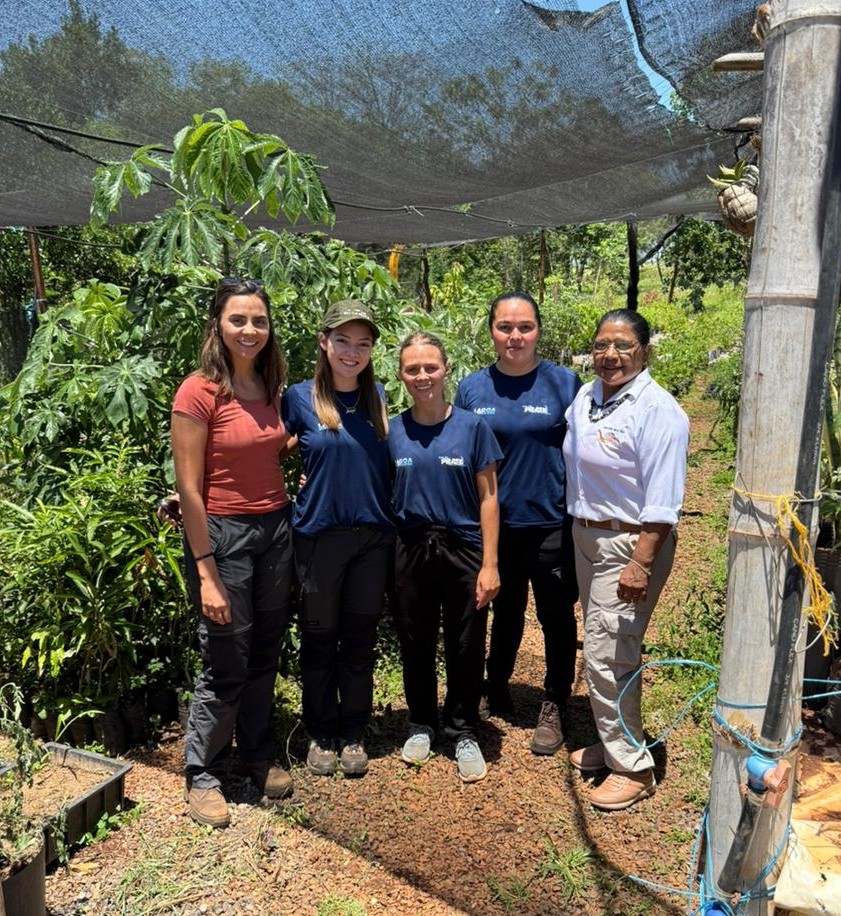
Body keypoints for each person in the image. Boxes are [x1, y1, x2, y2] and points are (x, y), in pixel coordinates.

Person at [171, 279, 294, 829]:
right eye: (238, 320)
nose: (249, 330)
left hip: (275, 529)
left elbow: (269, 444)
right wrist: (206, 572)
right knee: (225, 656)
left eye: (259, 321)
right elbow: (191, 488)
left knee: (265, 649)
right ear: (217, 324)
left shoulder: (270, 383)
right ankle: (203, 770)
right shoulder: (198, 391)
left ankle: (255, 749)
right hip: (224, 536)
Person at [564, 308, 689, 811]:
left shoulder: (658, 411)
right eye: (601, 345)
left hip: (630, 543)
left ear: (644, 351)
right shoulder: (588, 396)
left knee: (608, 652)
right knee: (607, 642)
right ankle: (614, 737)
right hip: (587, 536)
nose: (610, 355)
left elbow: (663, 501)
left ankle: (632, 766)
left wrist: (640, 562)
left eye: (622, 345)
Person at [454, 291, 581, 755]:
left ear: (538, 330)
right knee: (500, 610)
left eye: (524, 327)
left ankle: (555, 700)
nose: (515, 336)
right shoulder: (472, 388)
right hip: (493, 526)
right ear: (491, 331)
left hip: (550, 521)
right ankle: (496, 684)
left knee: (554, 616)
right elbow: (460, 452)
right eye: (505, 327)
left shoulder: (564, 383)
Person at [281, 299, 394, 778]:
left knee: (360, 640)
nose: (353, 351)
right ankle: (320, 731)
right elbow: (273, 451)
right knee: (321, 639)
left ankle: (353, 731)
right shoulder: (299, 398)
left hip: (371, 539)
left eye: (363, 343)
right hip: (319, 538)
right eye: (343, 340)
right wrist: (302, 481)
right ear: (324, 342)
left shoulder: (379, 398)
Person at [389, 332, 503, 783]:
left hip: (463, 548)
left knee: (466, 641)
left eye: (430, 367)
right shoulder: (392, 430)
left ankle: (463, 730)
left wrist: (490, 564)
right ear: (401, 374)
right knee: (414, 640)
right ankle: (421, 723)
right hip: (410, 548)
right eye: (413, 369)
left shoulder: (473, 428)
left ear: (446, 369)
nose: (422, 376)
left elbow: (490, 499)